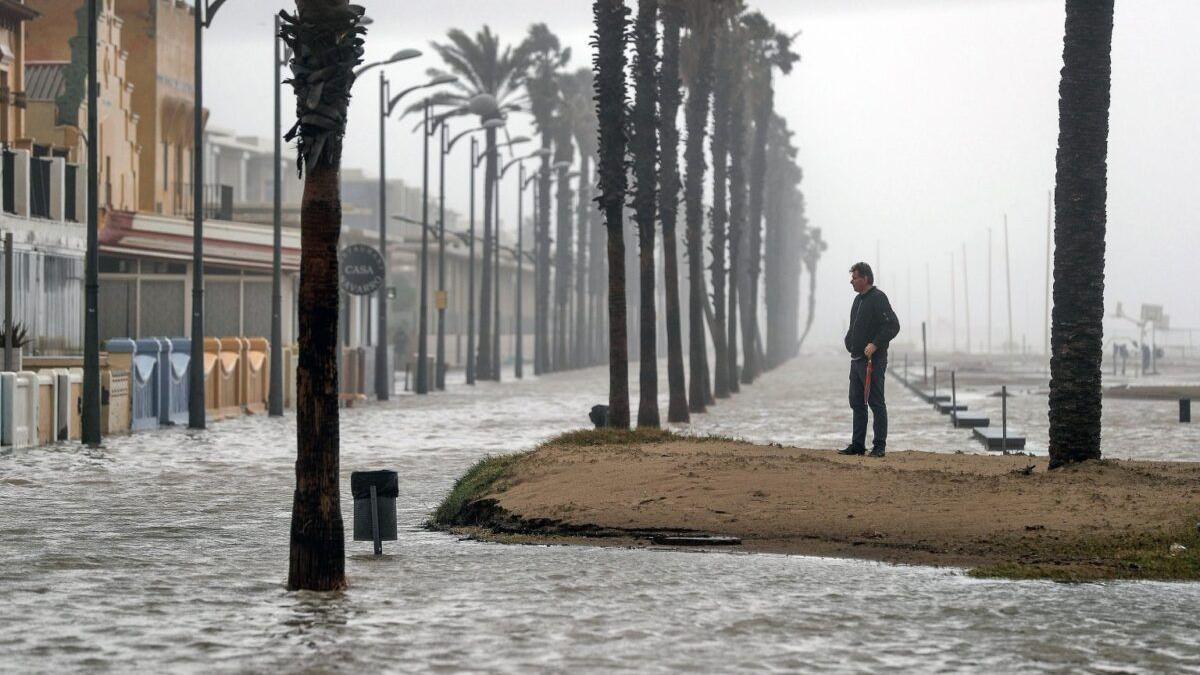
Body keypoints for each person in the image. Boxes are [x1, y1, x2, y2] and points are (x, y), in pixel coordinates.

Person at [839, 262, 900, 457]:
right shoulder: (858, 300)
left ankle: (879, 446)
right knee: (856, 403)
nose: (852, 281)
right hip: (856, 360)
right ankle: (857, 445)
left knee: (876, 401)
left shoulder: (878, 298)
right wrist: (849, 341)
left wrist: (875, 344)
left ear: (865, 278)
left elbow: (892, 326)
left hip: (874, 361)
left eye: (855, 277)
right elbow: (853, 326)